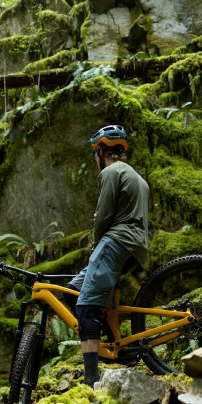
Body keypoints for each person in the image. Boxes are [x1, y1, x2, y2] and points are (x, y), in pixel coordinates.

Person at [64, 125, 150, 387]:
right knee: (72, 290)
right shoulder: (137, 177)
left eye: (95, 153)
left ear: (100, 150)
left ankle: (91, 379)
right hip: (136, 247)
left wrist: (96, 242)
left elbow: (102, 215)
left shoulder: (111, 172)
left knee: (86, 305)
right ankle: (110, 338)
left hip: (116, 240)